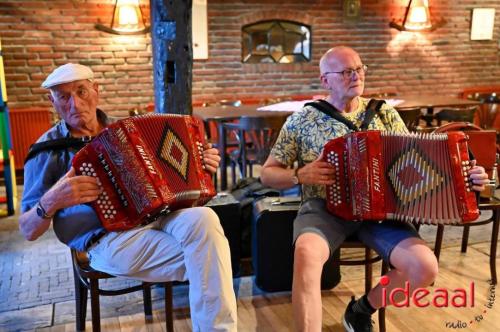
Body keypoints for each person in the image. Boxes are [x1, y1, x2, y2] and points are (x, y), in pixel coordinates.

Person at [260, 46, 489, 332]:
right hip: (324, 209)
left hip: (381, 211)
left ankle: (361, 308)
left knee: (424, 268)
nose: (355, 75)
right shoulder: (302, 120)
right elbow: (267, 175)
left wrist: (468, 176)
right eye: (346, 72)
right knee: (306, 253)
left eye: (359, 68)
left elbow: (423, 158)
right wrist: (300, 174)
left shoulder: (383, 113)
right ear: (325, 80)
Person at [19, 63, 237, 332]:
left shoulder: (126, 132)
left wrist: (200, 163)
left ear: (96, 91)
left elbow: (175, 169)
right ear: (52, 102)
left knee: (205, 218)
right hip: (105, 240)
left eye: (81, 92)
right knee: (212, 255)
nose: (75, 104)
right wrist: (52, 200)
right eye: (63, 97)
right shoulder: (46, 151)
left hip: (160, 216)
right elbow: (27, 229)